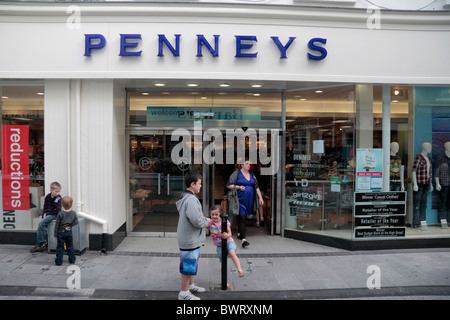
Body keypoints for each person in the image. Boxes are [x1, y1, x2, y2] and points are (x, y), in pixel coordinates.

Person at [176, 171, 211, 301]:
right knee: (188, 266)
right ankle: (184, 293)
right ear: (192, 184)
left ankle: (190, 286)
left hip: (191, 239)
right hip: (190, 239)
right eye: (199, 184)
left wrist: (203, 219)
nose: (200, 186)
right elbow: (196, 220)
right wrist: (207, 221)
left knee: (191, 264)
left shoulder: (186, 197)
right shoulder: (190, 199)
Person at [226, 159, 264, 248]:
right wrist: (239, 187)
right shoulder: (236, 174)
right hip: (239, 200)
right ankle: (244, 239)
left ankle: (239, 234)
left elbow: (256, 187)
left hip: (249, 200)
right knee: (242, 217)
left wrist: (260, 198)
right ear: (242, 165)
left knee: (241, 217)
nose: (248, 165)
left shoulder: (252, 175)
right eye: (246, 164)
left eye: (249, 164)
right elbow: (228, 185)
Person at [208, 204, 245, 288]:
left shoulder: (225, 221)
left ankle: (240, 270)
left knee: (232, 253)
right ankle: (224, 281)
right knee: (224, 263)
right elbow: (202, 220)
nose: (214, 216)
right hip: (219, 245)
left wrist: (226, 235)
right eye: (212, 214)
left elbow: (230, 233)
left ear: (220, 214)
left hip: (228, 241)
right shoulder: (210, 223)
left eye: (216, 214)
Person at [30, 182, 62, 253]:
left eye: (59, 191)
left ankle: (42, 242)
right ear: (51, 190)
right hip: (49, 214)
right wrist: (44, 213)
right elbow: (45, 207)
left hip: (55, 215)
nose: (58, 193)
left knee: (41, 223)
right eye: (56, 191)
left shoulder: (58, 198)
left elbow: (57, 210)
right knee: (40, 225)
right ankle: (40, 244)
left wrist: (47, 214)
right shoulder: (48, 197)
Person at [412, 142, 433, 228]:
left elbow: (430, 173)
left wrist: (431, 184)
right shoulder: (418, 158)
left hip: (426, 183)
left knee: (424, 204)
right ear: (424, 147)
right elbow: (413, 171)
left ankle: (423, 222)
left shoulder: (429, 159)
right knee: (417, 204)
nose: (430, 148)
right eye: (428, 146)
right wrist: (415, 184)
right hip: (419, 184)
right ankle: (416, 223)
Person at [54, 196, 78, 266]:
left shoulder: (60, 213)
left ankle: (59, 261)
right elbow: (76, 222)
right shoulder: (73, 213)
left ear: (62, 204)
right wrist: (69, 226)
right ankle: (72, 259)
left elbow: (57, 225)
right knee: (70, 246)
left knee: (60, 247)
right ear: (72, 204)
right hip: (69, 232)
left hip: (61, 233)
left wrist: (55, 234)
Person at [435, 141, 450, 223]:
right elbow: (436, 171)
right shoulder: (440, 158)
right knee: (443, 202)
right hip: (444, 183)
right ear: (446, 147)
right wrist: (437, 183)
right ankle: (443, 221)